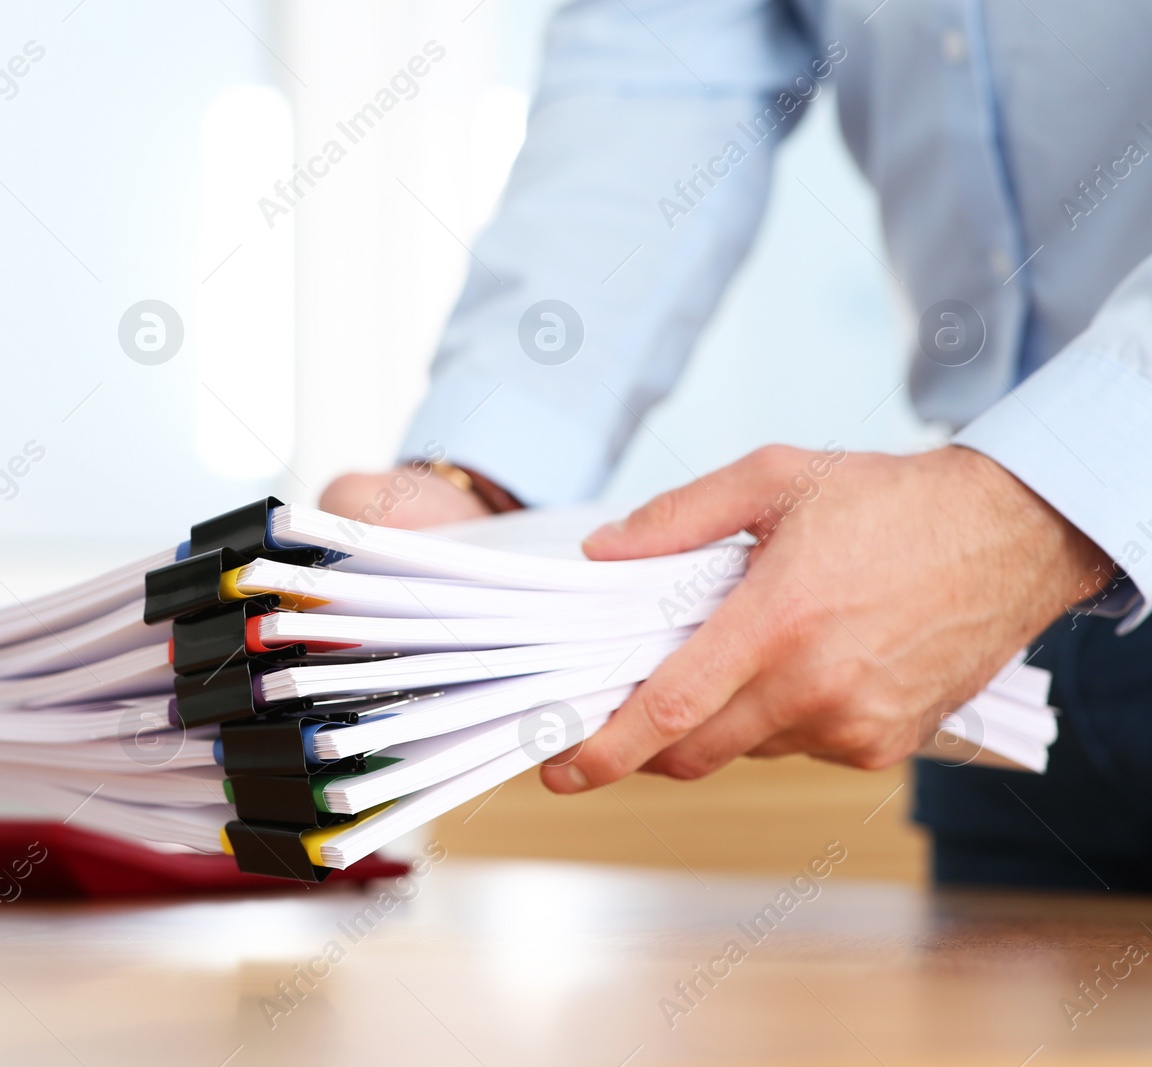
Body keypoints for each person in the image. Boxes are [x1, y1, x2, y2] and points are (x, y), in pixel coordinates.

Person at [319, 0, 1152, 891]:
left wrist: (1033, 507)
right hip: (998, 663)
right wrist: (487, 472)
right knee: (1006, 1020)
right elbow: (663, 59)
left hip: (1031, 547)